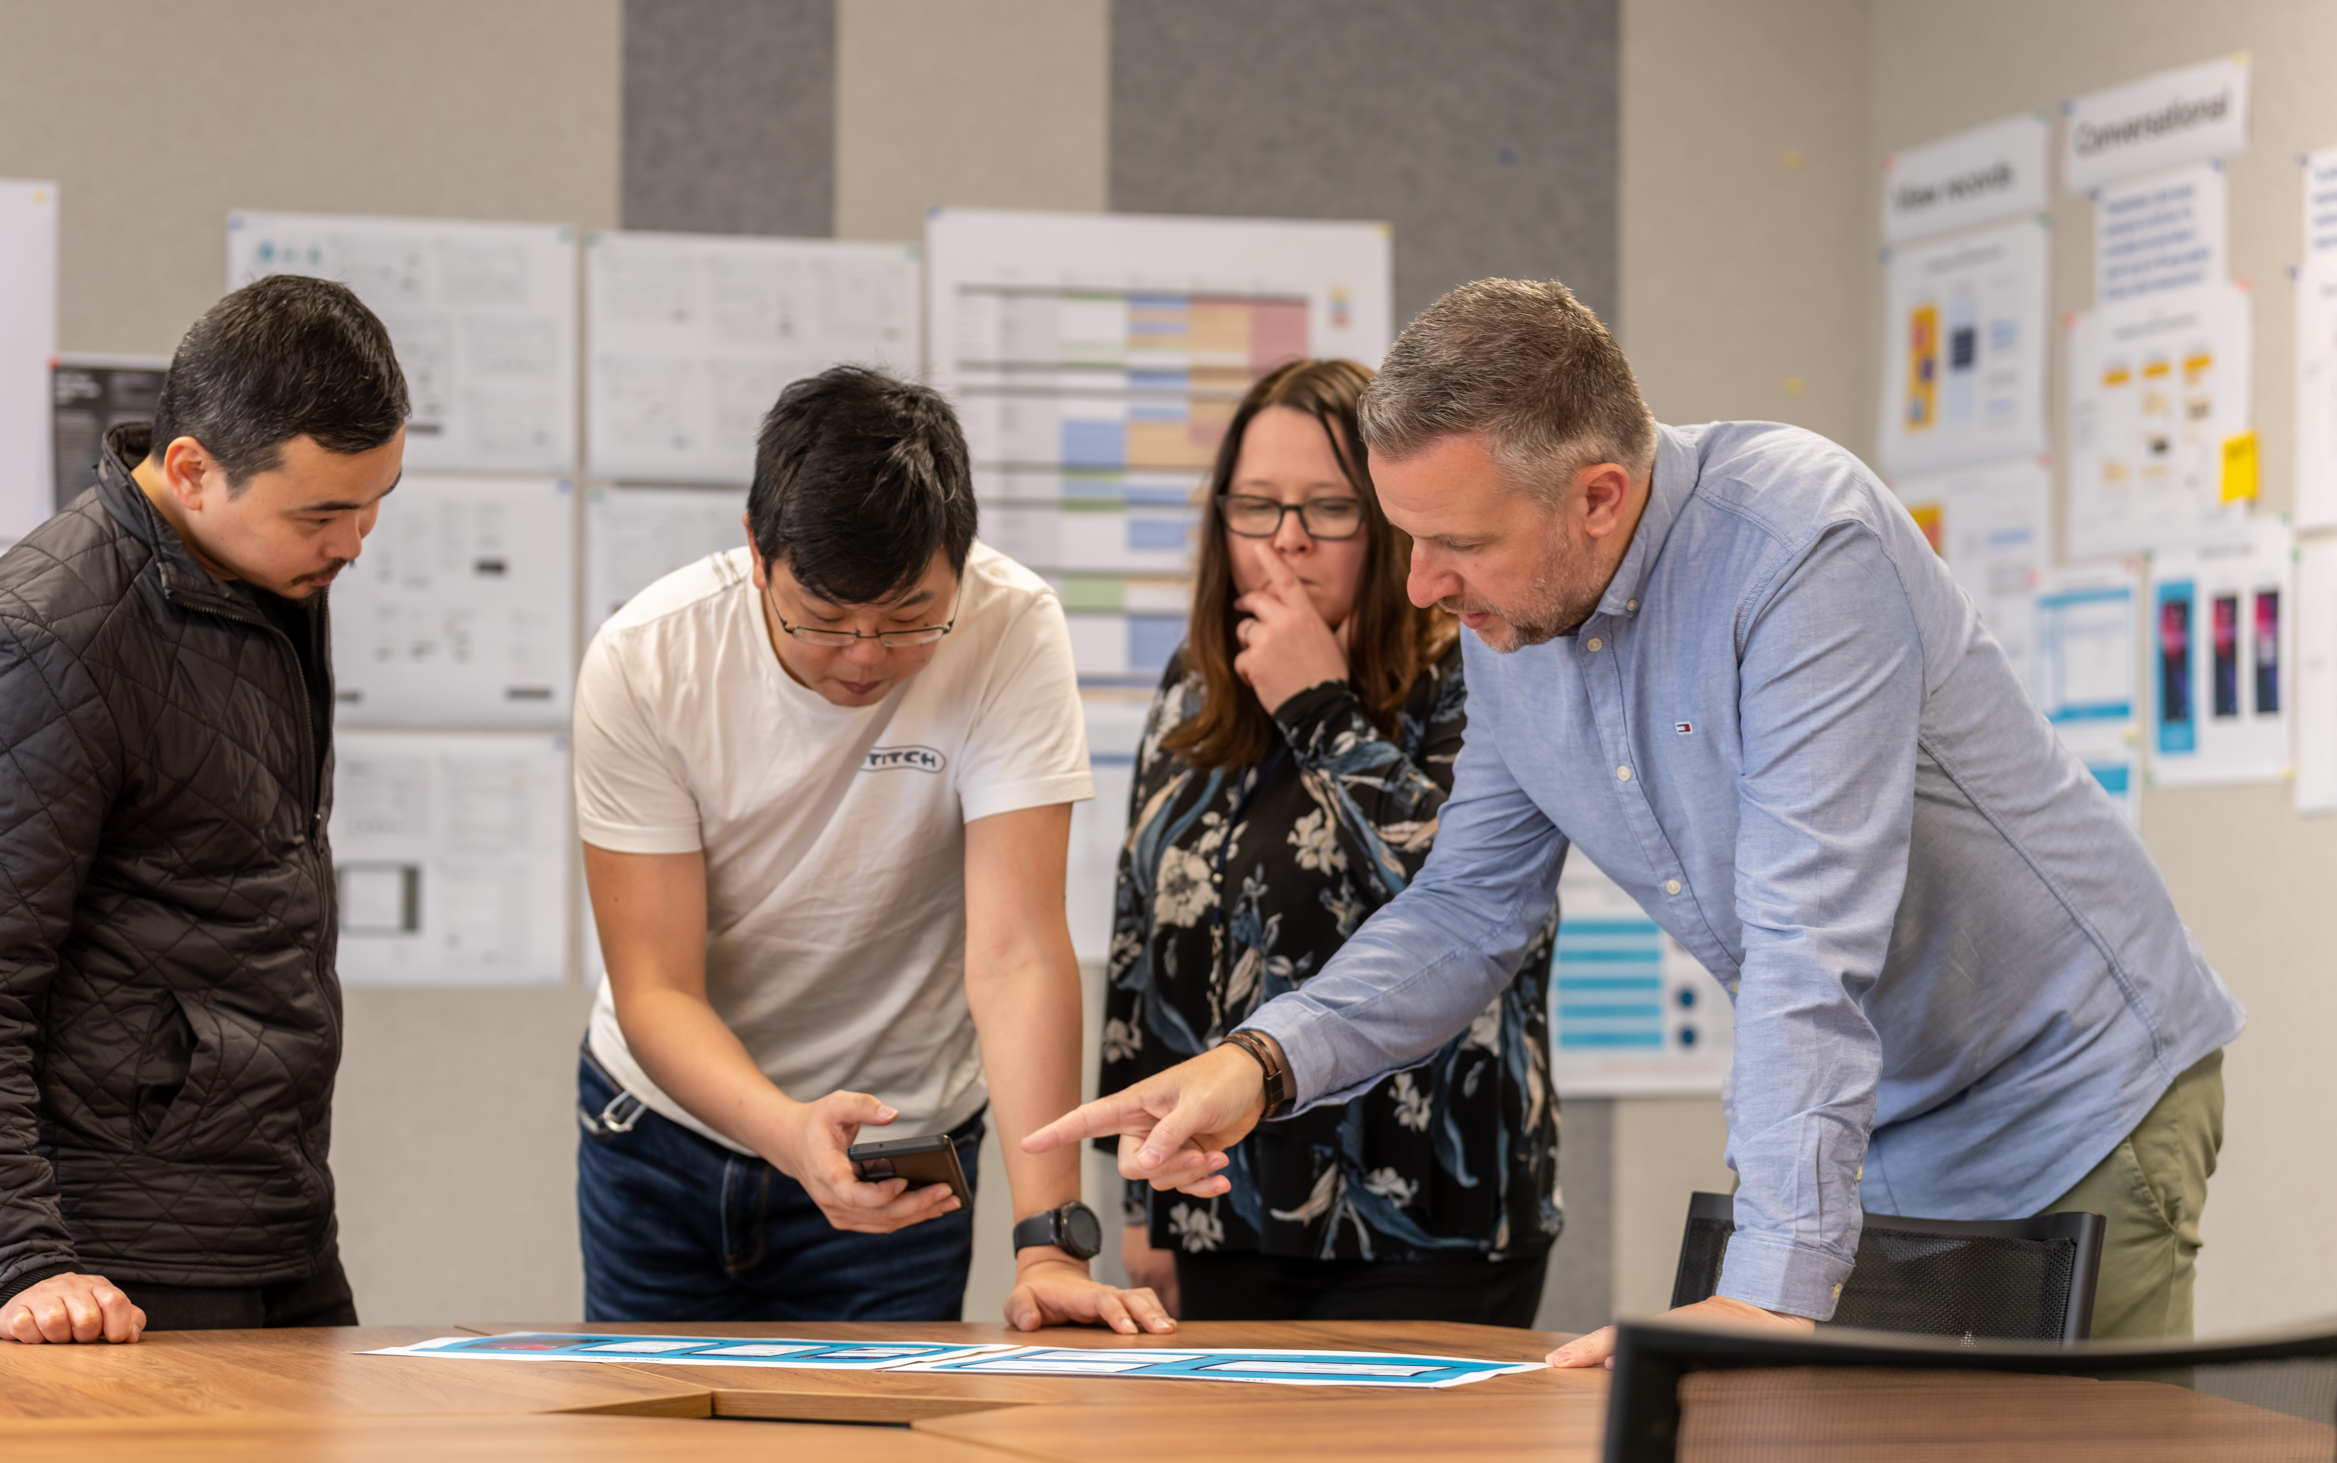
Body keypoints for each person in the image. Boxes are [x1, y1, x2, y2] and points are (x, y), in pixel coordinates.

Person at [1029, 278, 2244, 1353]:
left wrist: (1765, 1284)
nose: (1422, 588)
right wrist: (1262, 1062)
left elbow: (1808, 935)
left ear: (1599, 496)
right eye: (1408, 541)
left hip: (2068, 1089)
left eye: (1456, 543)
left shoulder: (1799, 548)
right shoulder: (1519, 616)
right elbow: (1464, 912)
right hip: (1877, 1116)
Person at [574, 366, 1170, 1334]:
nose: (862, 658)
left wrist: (1049, 1242)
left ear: (961, 564)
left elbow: (1017, 950)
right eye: (821, 622)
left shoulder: (1010, 628)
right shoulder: (648, 659)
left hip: (902, 1136)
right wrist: (788, 1134)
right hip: (663, 1135)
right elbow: (656, 986)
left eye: (906, 623)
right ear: (757, 553)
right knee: (655, 1425)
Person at [0, 276, 411, 1342]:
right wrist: (14, 1258)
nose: (355, 542)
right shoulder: (48, 641)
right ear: (191, 469)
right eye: (324, 512)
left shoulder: (258, 579)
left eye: (377, 501)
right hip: (115, 1252)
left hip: (279, 1216)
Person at [1103, 359, 1558, 1325]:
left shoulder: (1478, 668)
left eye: (1328, 509)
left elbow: (1469, 901)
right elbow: (1145, 940)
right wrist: (1141, 1195)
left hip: (1434, 1210)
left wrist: (1322, 708)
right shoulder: (1197, 683)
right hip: (1228, 1210)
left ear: (1391, 518)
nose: (1287, 541)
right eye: (1256, 506)